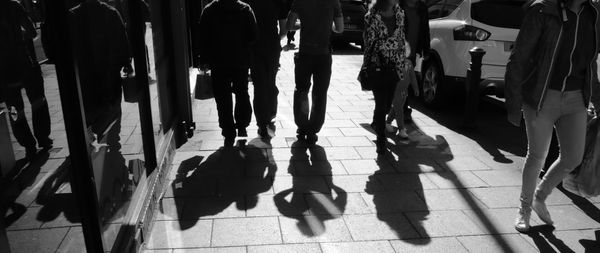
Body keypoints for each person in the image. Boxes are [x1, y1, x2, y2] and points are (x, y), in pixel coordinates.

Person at [505, 0, 600, 233]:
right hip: (541, 95)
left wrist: (596, 97)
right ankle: (524, 209)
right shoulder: (543, 10)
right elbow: (519, 56)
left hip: (576, 97)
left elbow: (591, 63)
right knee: (537, 155)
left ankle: (540, 195)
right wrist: (513, 103)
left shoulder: (593, 13)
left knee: (573, 157)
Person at [198, 0, 258, 147]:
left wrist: (204, 59)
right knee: (241, 92)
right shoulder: (245, 9)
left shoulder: (209, 10)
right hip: (240, 60)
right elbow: (254, 35)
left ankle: (228, 131)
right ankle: (242, 124)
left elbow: (203, 38)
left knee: (222, 97)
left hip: (218, 61)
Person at [0, 0, 53, 160]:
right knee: (38, 101)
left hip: (5, 71)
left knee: (15, 110)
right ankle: (43, 138)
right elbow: (32, 32)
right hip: (25, 64)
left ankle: (28, 145)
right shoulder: (14, 6)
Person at [286, 0, 344, 144]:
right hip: (323, 55)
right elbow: (340, 28)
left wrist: (303, 24)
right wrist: (328, 25)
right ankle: (313, 129)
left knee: (301, 90)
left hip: (305, 53)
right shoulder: (333, 2)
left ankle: (302, 125)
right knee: (320, 93)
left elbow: (289, 25)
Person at [363, 0, 408, 154]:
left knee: (388, 104)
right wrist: (392, 44)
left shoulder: (400, 14)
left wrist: (403, 60)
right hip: (378, 66)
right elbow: (370, 42)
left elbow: (401, 39)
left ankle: (377, 123)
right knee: (381, 104)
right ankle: (381, 139)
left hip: (395, 66)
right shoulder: (372, 17)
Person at [244, 0, 288, 139]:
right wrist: (275, 38)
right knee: (270, 82)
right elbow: (284, 30)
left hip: (255, 47)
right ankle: (271, 113)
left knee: (259, 84)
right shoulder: (278, 3)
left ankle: (262, 123)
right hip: (272, 46)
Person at [400, 0, 430, 123]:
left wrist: (426, 49)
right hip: (397, 49)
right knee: (398, 81)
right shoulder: (398, 5)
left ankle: (402, 109)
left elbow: (425, 29)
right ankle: (399, 109)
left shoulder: (422, 7)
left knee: (405, 82)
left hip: (412, 52)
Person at [385, 59, 419, 138]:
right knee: (399, 110)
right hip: (395, 90)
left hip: (404, 91)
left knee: (396, 108)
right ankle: (401, 129)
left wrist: (416, 88)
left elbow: (412, 77)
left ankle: (388, 122)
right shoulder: (393, 61)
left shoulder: (409, 63)